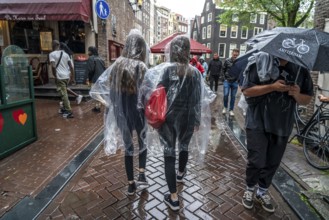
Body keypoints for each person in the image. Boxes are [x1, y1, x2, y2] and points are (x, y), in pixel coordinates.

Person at [139, 35, 215, 211]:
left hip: (168, 119)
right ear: (188, 51)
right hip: (187, 118)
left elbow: (158, 93)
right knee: (184, 147)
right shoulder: (195, 72)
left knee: (168, 153)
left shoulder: (166, 71)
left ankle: (173, 197)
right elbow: (197, 99)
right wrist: (196, 119)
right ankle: (181, 174)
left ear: (172, 50)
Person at [241, 51, 313, 213]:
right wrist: (272, 87)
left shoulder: (301, 69)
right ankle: (250, 188)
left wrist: (296, 94)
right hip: (257, 121)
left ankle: (262, 191)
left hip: (282, 124)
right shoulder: (259, 62)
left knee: (273, 162)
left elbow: (307, 99)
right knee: (257, 160)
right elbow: (247, 91)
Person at [90, 29, 149, 196]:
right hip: (139, 112)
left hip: (121, 113)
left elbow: (109, 90)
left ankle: (131, 184)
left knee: (128, 146)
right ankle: (142, 175)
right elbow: (148, 93)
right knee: (143, 141)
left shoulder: (116, 65)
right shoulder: (142, 67)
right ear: (141, 48)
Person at [49, 40, 75, 118]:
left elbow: (53, 66)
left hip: (60, 77)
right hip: (66, 76)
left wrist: (55, 75)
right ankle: (64, 108)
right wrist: (72, 77)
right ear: (59, 45)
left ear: (52, 46)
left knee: (63, 94)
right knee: (63, 92)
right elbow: (71, 67)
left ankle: (69, 111)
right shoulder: (66, 54)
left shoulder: (52, 54)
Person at [85, 46, 106, 112]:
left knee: (94, 93)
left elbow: (90, 70)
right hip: (102, 78)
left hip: (95, 78)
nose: (88, 52)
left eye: (88, 51)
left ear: (91, 51)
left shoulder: (91, 58)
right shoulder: (100, 58)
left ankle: (107, 104)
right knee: (97, 93)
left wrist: (89, 78)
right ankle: (97, 107)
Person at [222, 48, 240, 116]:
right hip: (227, 81)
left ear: (238, 54)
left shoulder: (239, 61)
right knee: (226, 95)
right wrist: (224, 79)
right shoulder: (227, 60)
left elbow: (240, 71)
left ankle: (231, 110)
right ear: (232, 53)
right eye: (234, 53)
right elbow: (223, 69)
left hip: (235, 81)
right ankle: (225, 107)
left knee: (233, 96)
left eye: (236, 54)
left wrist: (238, 80)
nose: (235, 55)